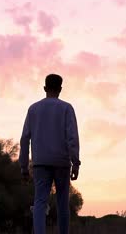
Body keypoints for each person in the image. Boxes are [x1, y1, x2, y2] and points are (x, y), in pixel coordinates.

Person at [19, 74, 81, 234]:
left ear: (45, 88)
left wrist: (23, 167)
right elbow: (72, 137)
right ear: (60, 89)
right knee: (62, 203)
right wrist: (76, 162)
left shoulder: (33, 109)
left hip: (40, 162)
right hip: (61, 162)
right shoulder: (67, 108)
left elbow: (25, 139)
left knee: (39, 202)